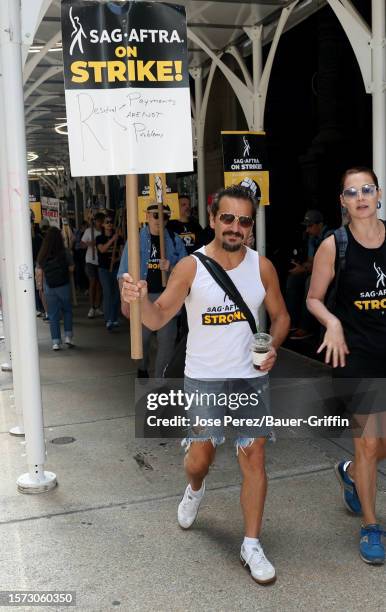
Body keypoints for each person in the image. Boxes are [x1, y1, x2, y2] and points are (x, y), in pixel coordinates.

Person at [121, 185, 289, 583]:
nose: (235, 227)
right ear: (213, 219)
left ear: (251, 227)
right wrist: (139, 298)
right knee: (200, 461)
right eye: (227, 218)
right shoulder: (191, 267)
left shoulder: (262, 267)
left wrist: (273, 348)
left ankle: (250, 543)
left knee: (254, 457)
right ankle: (195, 488)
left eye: (244, 221)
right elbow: (158, 317)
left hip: (249, 379)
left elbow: (281, 317)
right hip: (204, 381)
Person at [307, 166, 386, 565]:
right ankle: (371, 525)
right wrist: (332, 322)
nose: (361, 197)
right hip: (355, 355)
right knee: (370, 441)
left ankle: (353, 470)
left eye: (367, 189)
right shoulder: (332, 245)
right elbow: (314, 298)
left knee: (379, 445)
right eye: (351, 192)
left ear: (378, 193)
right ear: (343, 201)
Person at [118, 203, 186, 377]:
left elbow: (187, 271)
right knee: (143, 340)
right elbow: (123, 272)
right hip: (144, 299)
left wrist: (171, 267)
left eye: (165, 216)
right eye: (155, 215)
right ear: (147, 216)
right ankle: (142, 368)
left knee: (166, 342)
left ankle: (160, 381)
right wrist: (124, 300)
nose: (159, 220)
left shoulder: (174, 239)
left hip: (167, 298)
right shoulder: (135, 240)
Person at [286, 209, 331, 340]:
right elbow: (311, 261)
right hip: (315, 270)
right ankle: (292, 322)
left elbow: (327, 265)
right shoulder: (312, 239)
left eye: (310, 226)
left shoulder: (330, 236)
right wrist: (301, 267)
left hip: (329, 273)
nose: (307, 230)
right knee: (293, 279)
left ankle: (306, 327)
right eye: (306, 226)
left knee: (310, 282)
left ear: (320, 224)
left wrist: (305, 269)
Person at [36, 227, 75, 350]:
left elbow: (39, 271)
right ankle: (68, 337)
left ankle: (55, 342)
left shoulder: (43, 254)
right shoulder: (65, 252)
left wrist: (40, 287)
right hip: (63, 285)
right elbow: (72, 268)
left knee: (53, 315)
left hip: (49, 287)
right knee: (67, 311)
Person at [96, 216, 124, 331]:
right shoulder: (99, 238)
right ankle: (108, 319)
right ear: (103, 225)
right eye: (107, 222)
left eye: (111, 222)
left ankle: (114, 318)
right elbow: (102, 249)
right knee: (108, 293)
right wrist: (112, 239)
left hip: (116, 268)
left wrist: (116, 259)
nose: (109, 224)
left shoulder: (120, 238)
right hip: (104, 269)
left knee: (117, 294)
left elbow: (122, 253)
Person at [81, 212, 105, 319]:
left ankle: (97, 306)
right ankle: (91, 307)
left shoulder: (105, 231)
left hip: (101, 261)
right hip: (90, 260)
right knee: (93, 282)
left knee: (100, 285)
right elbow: (81, 244)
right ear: (95, 221)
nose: (100, 223)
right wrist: (89, 244)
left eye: (101, 221)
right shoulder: (88, 231)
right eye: (98, 220)